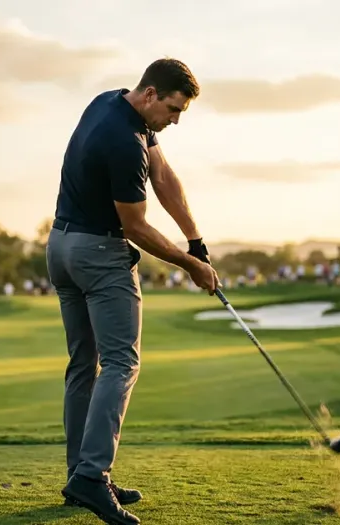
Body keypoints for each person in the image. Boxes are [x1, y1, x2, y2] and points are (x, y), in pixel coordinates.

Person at [46, 58, 220, 525]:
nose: (176, 120)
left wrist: (196, 241)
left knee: (84, 365)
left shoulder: (112, 102)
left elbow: (163, 177)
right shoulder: (124, 143)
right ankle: (92, 475)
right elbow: (137, 228)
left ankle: (79, 477)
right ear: (150, 95)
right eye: (173, 108)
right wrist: (190, 267)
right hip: (98, 253)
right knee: (122, 362)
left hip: (60, 246)